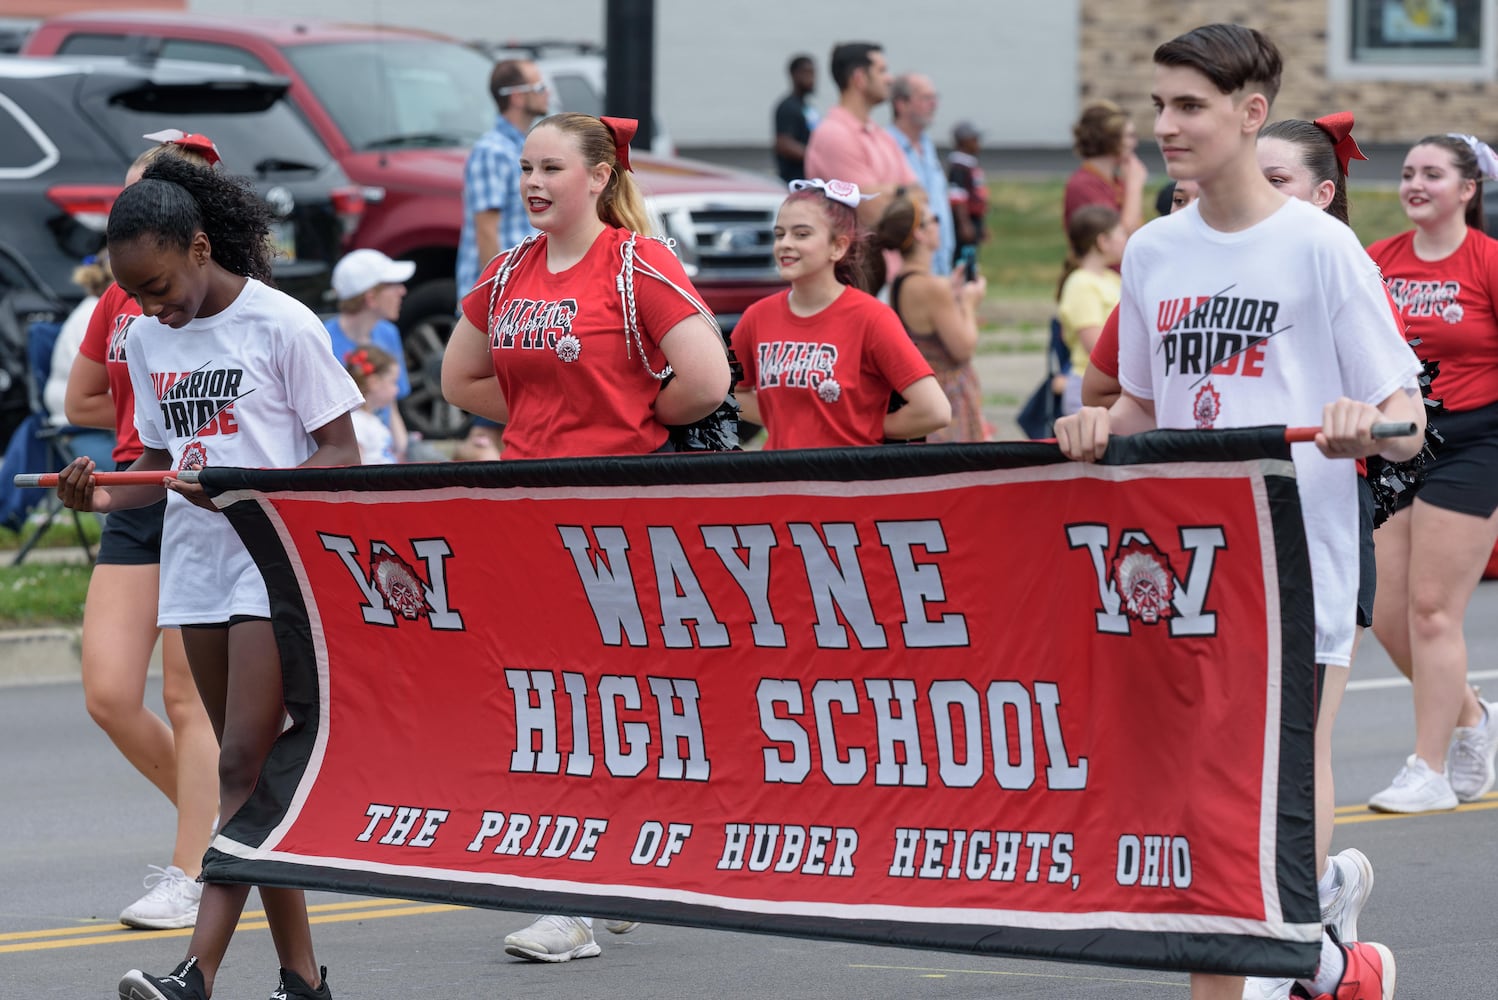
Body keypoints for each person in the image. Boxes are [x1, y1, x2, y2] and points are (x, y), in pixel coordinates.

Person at [1053, 24, 1423, 1000]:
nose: (1163, 126)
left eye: (1188, 107)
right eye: (1159, 104)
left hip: (1290, 570)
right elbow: (1141, 402)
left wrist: (1364, 424)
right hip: (1175, 577)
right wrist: (1096, 427)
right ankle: (1329, 958)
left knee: (1241, 815)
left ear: (1249, 113)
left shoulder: (1321, 247)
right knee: (1190, 815)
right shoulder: (1153, 252)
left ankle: (1299, 952)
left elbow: (1407, 417)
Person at [56, 153, 363, 1000]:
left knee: (239, 767)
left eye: (157, 285)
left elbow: (342, 454)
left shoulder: (283, 325)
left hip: (271, 564)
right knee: (253, 780)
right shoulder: (152, 339)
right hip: (195, 564)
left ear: (199, 248)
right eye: (133, 294)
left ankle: (198, 972)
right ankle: (303, 978)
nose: (149, 308)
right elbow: (155, 459)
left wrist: (248, 489)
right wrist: (97, 495)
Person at [442, 112, 729, 960]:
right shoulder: (507, 273)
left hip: (618, 519)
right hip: (527, 514)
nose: (532, 183)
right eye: (526, 167)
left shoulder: (638, 263)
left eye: (551, 167)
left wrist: (628, 422)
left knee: (602, 701)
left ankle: (578, 898)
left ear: (599, 176)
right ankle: (621, 861)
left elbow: (709, 378)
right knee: (551, 702)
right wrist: (544, 418)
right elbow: (461, 376)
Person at [61, 134, 223, 934]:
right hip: (134, 489)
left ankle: (195, 868)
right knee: (109, 694)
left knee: (188, 696)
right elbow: (82, 399)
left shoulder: (221, 290)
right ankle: (228, 824)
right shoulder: (127, 291)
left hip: (205, 497)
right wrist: (140, 428)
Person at [1364, 132, 1498, 814]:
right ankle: (1473, 715)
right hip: (1395, 445)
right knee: (1388, 614)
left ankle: (1430, 767)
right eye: (1409, 172)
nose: (1415, 183)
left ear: (1467, 191)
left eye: (1433, 174)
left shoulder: (1489, 263)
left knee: (1432, 610)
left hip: (1475, 444)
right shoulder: (1376, 260)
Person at [731, 178, 950, 449]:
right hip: (782, 482)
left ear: (838, 247)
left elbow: (934, 410)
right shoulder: (757, 316)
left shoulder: (872, 319)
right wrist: (787, 419)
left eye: (801, 234)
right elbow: (730, 391)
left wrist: (862, 426)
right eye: (779, 234)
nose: (785, 244)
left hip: (849, 484)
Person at [875, 190, 985, 441]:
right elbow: (964, 348)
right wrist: (968, 301)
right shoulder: (934, 288)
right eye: (934, 218)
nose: (939, 223)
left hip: (925, 394)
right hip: (947, 401)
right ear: (920, 233)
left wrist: (952, 293)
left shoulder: (900, 282)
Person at [456, 58, 547, 304]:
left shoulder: (522, 146)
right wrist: (499, 297)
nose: (546, 93)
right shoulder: (492, 151)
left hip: (520, 293)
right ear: (517, 97)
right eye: (538, 88)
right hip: (498, 298)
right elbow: (486, 231)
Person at [803, 41, 915, 227]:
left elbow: (921, 193)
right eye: (882, 71)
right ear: (859, 78)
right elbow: (874, 214)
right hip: (861, 256)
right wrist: (901, 191)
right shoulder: (833, 136)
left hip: (891, 256)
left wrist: (893, 193)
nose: (890, 79)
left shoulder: (882, 135)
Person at [325, 249, 416, 461]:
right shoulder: (323, 340)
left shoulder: (388, 333)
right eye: (393, 285)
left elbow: (391, 404)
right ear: (371, 298)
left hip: (384, 449)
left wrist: (401, 451)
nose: (402, 291)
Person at [1055, 204, 1125, 415]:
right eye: (1121, 232)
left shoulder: (1113, 279)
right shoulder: (1081, 285)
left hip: (1115, 382)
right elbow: (1094, 345)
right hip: (1087, 386)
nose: (1127, 238)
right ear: (1103, 242)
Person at [887, 72, 955, 275]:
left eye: (935, 97)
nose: (934, 104)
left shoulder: (927, 145)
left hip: (940, 267)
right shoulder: (886, 146)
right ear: (901, 104)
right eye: (926, 98)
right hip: (908, 273)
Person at [1062, 99, 1148, 234]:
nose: (1135, 143)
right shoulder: (1082, 185)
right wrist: (1134, 186)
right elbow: (1119, 238)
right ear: (1112, 140)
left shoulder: (1116, 183)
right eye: (1130, 136)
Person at [343, 345, 401, 465]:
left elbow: (401, 445)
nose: (397, 390)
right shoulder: (357, 422)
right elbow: (356, 468)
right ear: (373, 383)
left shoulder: (370, 419)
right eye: (393, 382)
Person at [947, 120, 989, 267]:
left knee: (972, 256)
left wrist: (981, 225)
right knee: (962, 258)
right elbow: (957, 196)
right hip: (965, 220)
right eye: (974, 140)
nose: (978, 144)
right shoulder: (958, 166)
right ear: (964, 141)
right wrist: (964, 224)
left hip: (974, 219)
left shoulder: (970, 164)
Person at [773, 53, 819, 184]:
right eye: (806, 73)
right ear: (794, 74)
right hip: (794, 183)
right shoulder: (787, 107)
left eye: (813, 73)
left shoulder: (807, 107)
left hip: (810, 180)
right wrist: (816, 157)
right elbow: (783, 144)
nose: (811, 78)